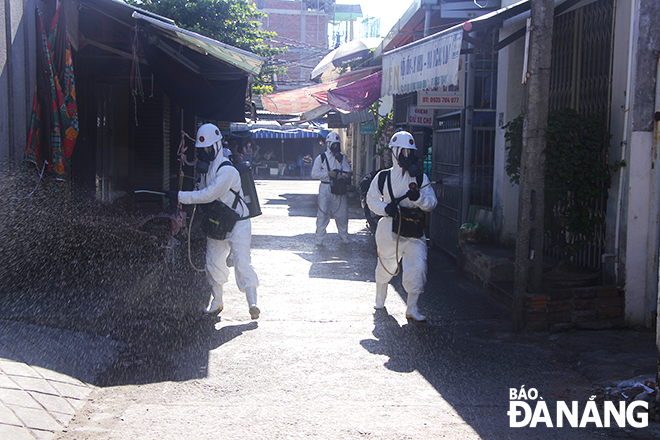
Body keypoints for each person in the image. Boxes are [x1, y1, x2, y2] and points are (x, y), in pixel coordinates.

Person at [164, 123, 260, 319]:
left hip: (237, 222)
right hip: (217, 222)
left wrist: (180, 196)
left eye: (207, 148)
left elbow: (208, 194)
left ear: (216, 146)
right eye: (201, 150)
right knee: (213, 262)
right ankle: (217, 302)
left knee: (242, 262)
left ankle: (253, 303)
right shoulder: (206, 170)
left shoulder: (227, 171)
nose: (204, 153)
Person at [366, 131, 437, 321]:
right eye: (403, 151)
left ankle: (412, 308)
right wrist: (385, 209)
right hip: (389, 230)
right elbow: (371, 200)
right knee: (386, 266)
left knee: (418, 268)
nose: (407, 155)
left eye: (410, 151)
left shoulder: (420, 178)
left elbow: (432, 203)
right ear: (395, 152)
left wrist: (419, 198)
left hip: (414, 230)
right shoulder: (383, 177)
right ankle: (380, 297)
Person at [311, 131, 352, 245]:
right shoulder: (321, 158)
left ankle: (344, 235)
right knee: (323, 213)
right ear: (328, 144)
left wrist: (345, 175)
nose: (335, 147)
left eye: (337, 145)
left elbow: (347, 171)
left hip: (338, 188)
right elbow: (314, 174)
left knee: (342, 213)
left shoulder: (342, 158)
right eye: (333, 145)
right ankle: (319, 237)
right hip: (325, 188)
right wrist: (328, 174)